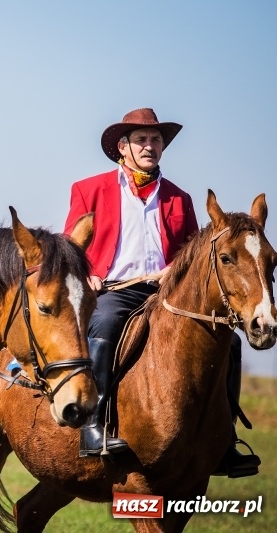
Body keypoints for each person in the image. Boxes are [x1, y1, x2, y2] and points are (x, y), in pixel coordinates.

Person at [64, 108, 260, 478]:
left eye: (156, 140)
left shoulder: (179, 198)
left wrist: (176, 269)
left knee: (230, 343)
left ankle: (225, 440)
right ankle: (94, 427)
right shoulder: (88, 190)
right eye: (141, 140)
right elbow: (70, 245)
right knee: (104, 323)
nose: (150, 146)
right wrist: (86, 271)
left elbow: (192, 252)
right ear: (123, 147)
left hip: (165, 294)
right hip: (114, 290)